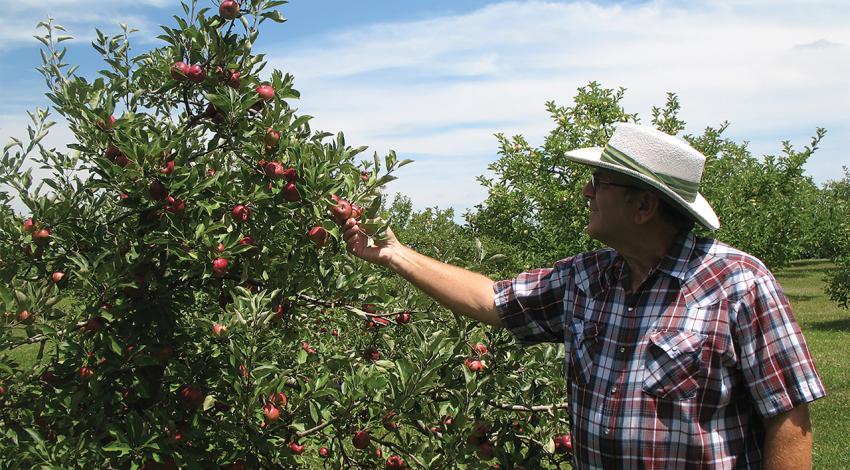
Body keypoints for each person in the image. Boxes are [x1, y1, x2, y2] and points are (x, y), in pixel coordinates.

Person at [341, 122, 825, 469]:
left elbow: (787, 416)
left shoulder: (738, 283)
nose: (586, 193)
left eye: (599, 183)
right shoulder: (587, 278)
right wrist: (394, 253)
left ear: (643, 206)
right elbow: (493, 300)